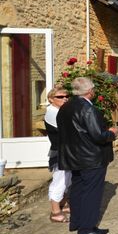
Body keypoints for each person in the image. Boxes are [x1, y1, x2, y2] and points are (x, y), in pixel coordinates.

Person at [57, 77, 117, 234]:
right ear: (90, 91)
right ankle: (87, 228)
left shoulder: (65, 107)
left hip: (73, 157)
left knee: (77, 190)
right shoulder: (88, 109)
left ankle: (76, 222)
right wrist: (111, 132)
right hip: (91, 158)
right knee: (91, 192)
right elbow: (98, 135)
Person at [44, 86, 71, 223]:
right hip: (60, 152)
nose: (65, 98)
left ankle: (63, 204)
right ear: (51, 99)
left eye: (66, 96)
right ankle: (55, 212)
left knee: (67, 179)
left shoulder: (59, 111)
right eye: (60, 97)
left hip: (66, 150)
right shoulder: (52, 112)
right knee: (59, 181)